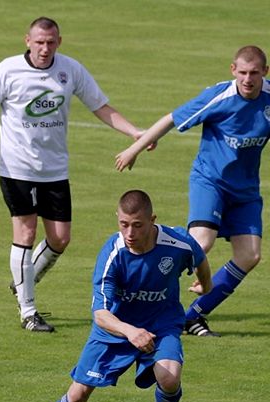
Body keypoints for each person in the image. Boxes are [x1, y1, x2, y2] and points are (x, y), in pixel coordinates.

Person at [0, 16, 150, 333]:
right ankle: (28, 311)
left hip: (54, 170)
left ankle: (23, 281)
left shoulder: (69, 70)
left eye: (50, 42)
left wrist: (134, 132)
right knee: (24, 233)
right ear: (27, 40)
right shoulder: (8, 70)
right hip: (16, 168)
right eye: (39, 42)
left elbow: (100, 106)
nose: (44, 48)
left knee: (60, 239)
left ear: (59, 42)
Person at [24, 190, 212, 402]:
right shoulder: (113, 255)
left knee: (170, 378)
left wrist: (205, 287)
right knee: (78, 394)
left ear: (152, 220)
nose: (130, 232)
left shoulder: (178, 243)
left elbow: (201, 262)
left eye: (137, 225)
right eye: (124, 224)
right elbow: (100, 315)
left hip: (161, 324)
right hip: (115, 328)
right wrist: (130, 332)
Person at [115, 46, 270, 337]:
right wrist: (135, 148)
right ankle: (144, 298)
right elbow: (172, 118)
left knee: (250, 256)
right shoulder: (219, 97)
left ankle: (193, 316)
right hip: (210, 182)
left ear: (265, 72)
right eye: (243, 72)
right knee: (201, 242)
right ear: (233, 70)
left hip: (246, 191)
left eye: (254, 73)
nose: (248, 79)